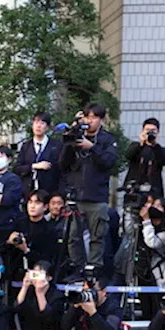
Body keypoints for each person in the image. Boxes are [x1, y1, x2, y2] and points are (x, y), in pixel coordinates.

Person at [58, 103, 119, 270]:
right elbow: (62, 164)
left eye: (93, 117)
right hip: (76, 196)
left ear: (101, 119)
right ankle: (77, 267)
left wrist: (92, 147)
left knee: (97, 236)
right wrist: (70, 139)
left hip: (97, 197)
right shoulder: (76, 135)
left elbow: (109, 162)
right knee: (72, 237)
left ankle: (94, 269)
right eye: (86, 117)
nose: (89, 121)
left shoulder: (107, 139)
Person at [14, 112, 63, 196]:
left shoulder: (57, 145)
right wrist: (34, 166)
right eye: (36, 122)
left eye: (42, 123)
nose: (38, 126)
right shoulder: (26, 146)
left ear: (47, 127)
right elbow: (17, 168)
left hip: (49, 192)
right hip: (28, 192)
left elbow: (61, 170)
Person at [124, 118, 165, 198]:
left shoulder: (161, 150)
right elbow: (128, 155)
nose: (150, 133)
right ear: (142, 131)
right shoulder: (135, 146)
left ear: (158, 132)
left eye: (153, 130)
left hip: (154, 189)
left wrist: (154, 145)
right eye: (147, 130)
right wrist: (141, 143)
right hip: (134, 188)